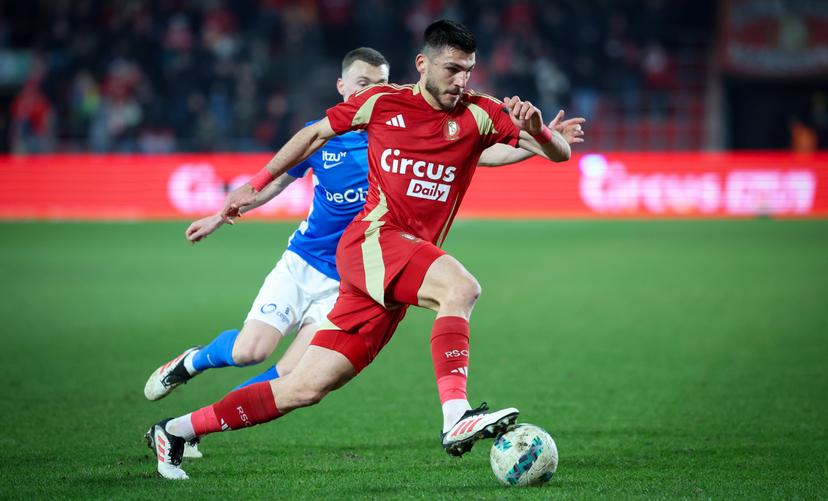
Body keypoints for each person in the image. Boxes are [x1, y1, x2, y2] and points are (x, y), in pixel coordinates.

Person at [145, 20, 582, 480]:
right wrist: (252, 186)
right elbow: (312, 136)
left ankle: (175, 430)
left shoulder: (481, 112)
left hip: (393, 268)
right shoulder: (382, 102)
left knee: (302, 387)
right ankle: (456, 415)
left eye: (468, 70)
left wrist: (539, 131)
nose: (461, 80)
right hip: (374, 239)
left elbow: (558, 155)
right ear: (423, 64)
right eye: (452, 69)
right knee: (461, 288)